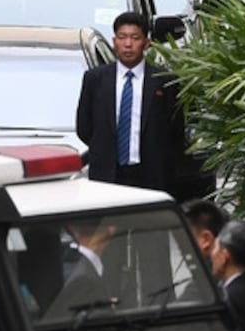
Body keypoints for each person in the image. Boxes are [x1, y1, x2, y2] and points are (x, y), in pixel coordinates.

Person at [76, 11, 186, 195]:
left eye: (135, 38)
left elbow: (176, 130)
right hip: (107, 174)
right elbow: (84, 126)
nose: (128, 44)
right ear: (114, 42)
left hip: (150, 175)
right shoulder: (95, 79)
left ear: (146, 43)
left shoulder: (164, 80)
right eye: (122, 37)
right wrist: (104, 149)